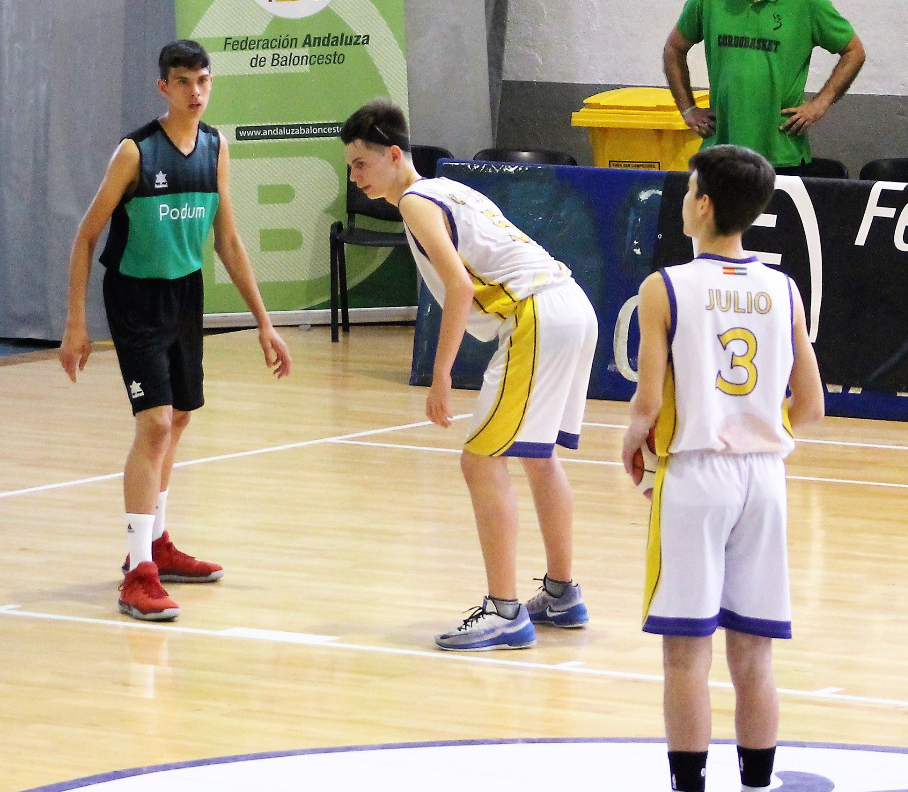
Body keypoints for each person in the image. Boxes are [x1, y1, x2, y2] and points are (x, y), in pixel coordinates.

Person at [341, 97, 597, 651]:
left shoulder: (416, 200)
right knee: (538, 456)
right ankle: (561, 593)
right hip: (571, 303)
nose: (355, 176)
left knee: (480, 461)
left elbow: (458, 286)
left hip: (537, 313)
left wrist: (440, 375)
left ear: (393, 154)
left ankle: (505, 612)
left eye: (361, 163)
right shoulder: (449, 188)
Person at [58, 40, 292, 624]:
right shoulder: (135, 152)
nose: (195, 91)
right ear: (164, 86)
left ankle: (158, 544)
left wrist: (265, 323)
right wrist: (75, 322)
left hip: (186, 293)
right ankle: (138, 572)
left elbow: (228, 240)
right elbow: (87, 235)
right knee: (156, 424)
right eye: (183, 81)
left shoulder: (215, 148)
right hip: (135, 296)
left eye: (203, 80)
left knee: (180, 418)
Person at [620, 145, 825, 792]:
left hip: (696, 477)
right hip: (765, 480)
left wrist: (632, 440)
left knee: (685, 653)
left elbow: (648, 400)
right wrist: (754, 420)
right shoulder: (784, 289)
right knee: (753, 652)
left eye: (688, 191)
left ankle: (690, 785)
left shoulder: (665, 287)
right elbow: (812, 406)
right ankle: (758, 783)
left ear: (703, 204)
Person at [663, 0, 866, 172]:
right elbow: (674, 49)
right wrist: (688, 110)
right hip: (721, 150)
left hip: (781, 154)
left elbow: (854, 51)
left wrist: (820, 103)